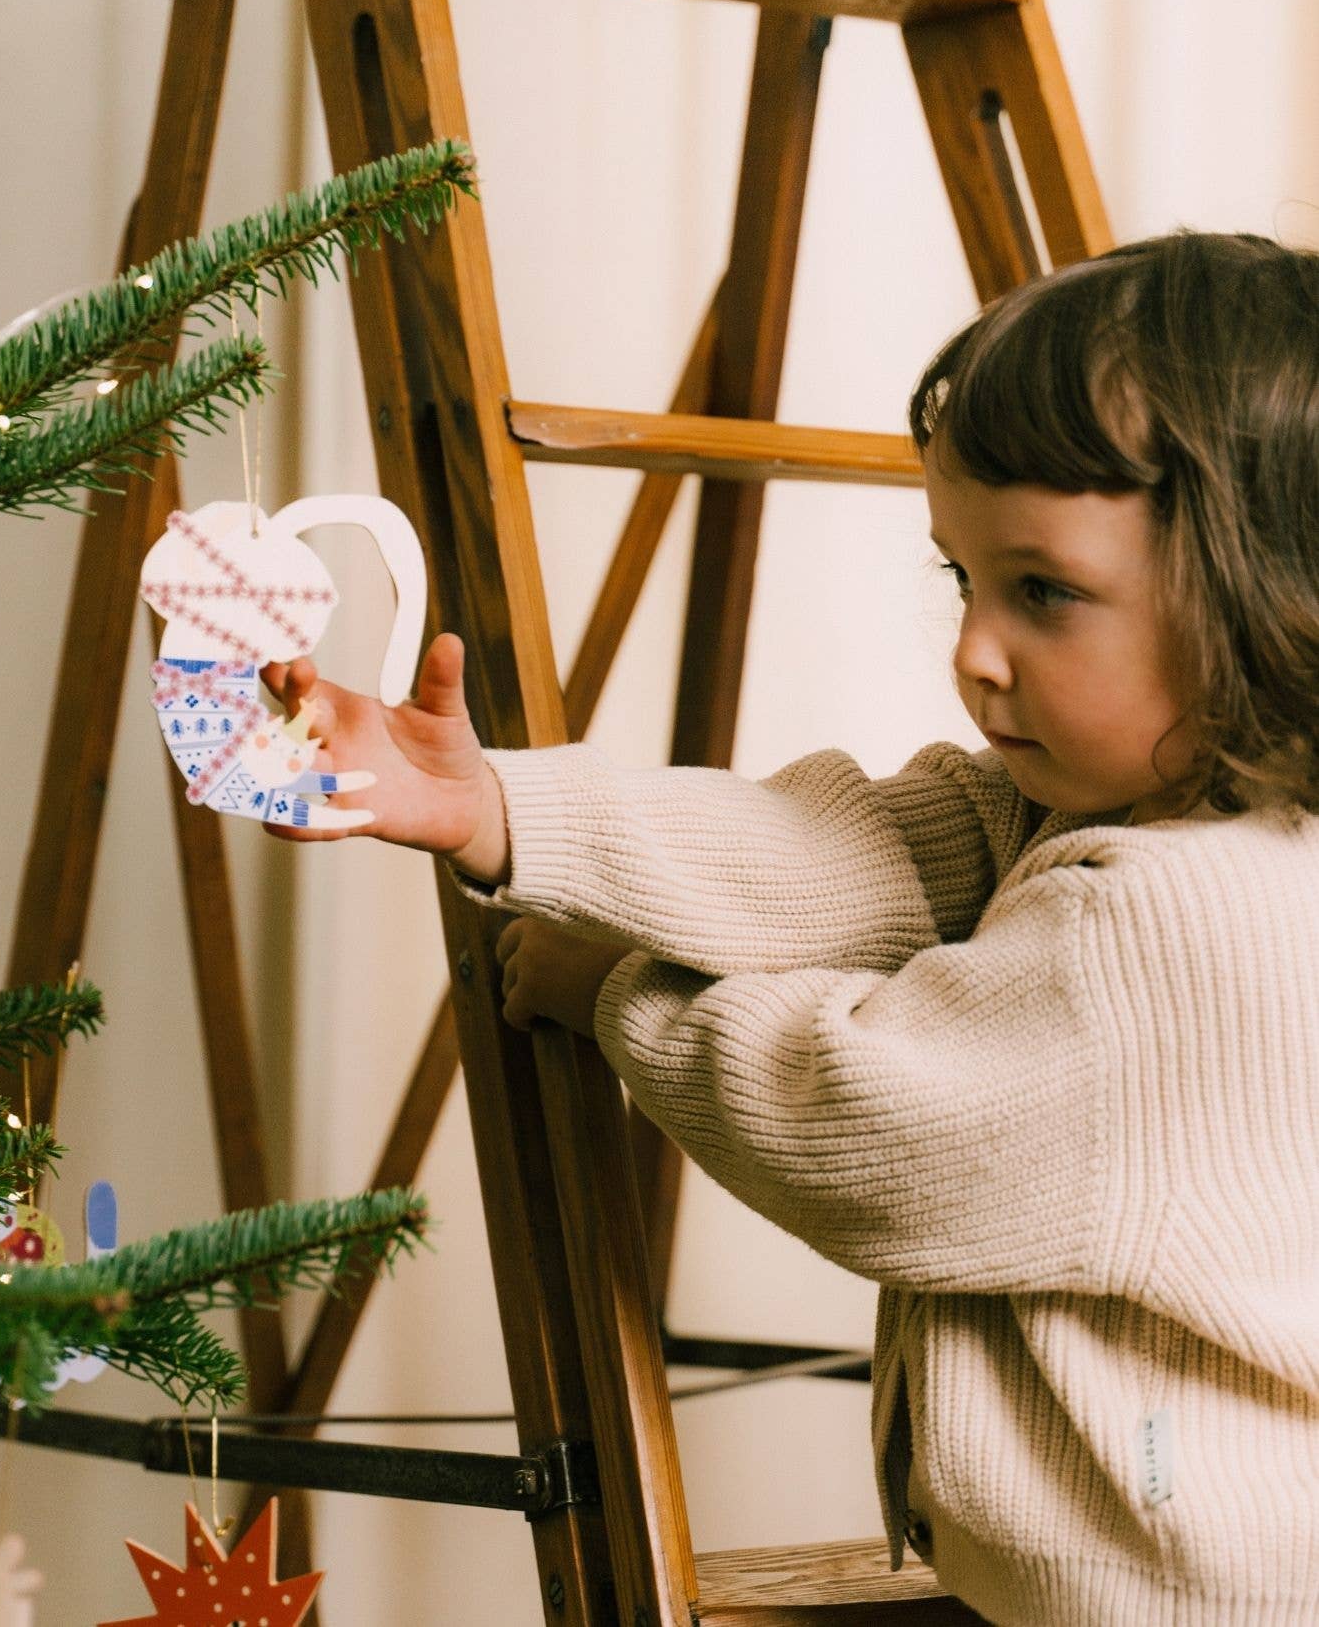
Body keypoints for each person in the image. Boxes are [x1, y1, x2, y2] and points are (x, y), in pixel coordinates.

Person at [259, 230, 1319, 1625]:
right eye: (960, 579)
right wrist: (497, 809)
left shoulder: (1168, 923)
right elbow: (846, 850)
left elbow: (870, 1124)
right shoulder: (1147, 814)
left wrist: (620, 992)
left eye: (1042, 592)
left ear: (1260, 589)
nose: (974, 651)